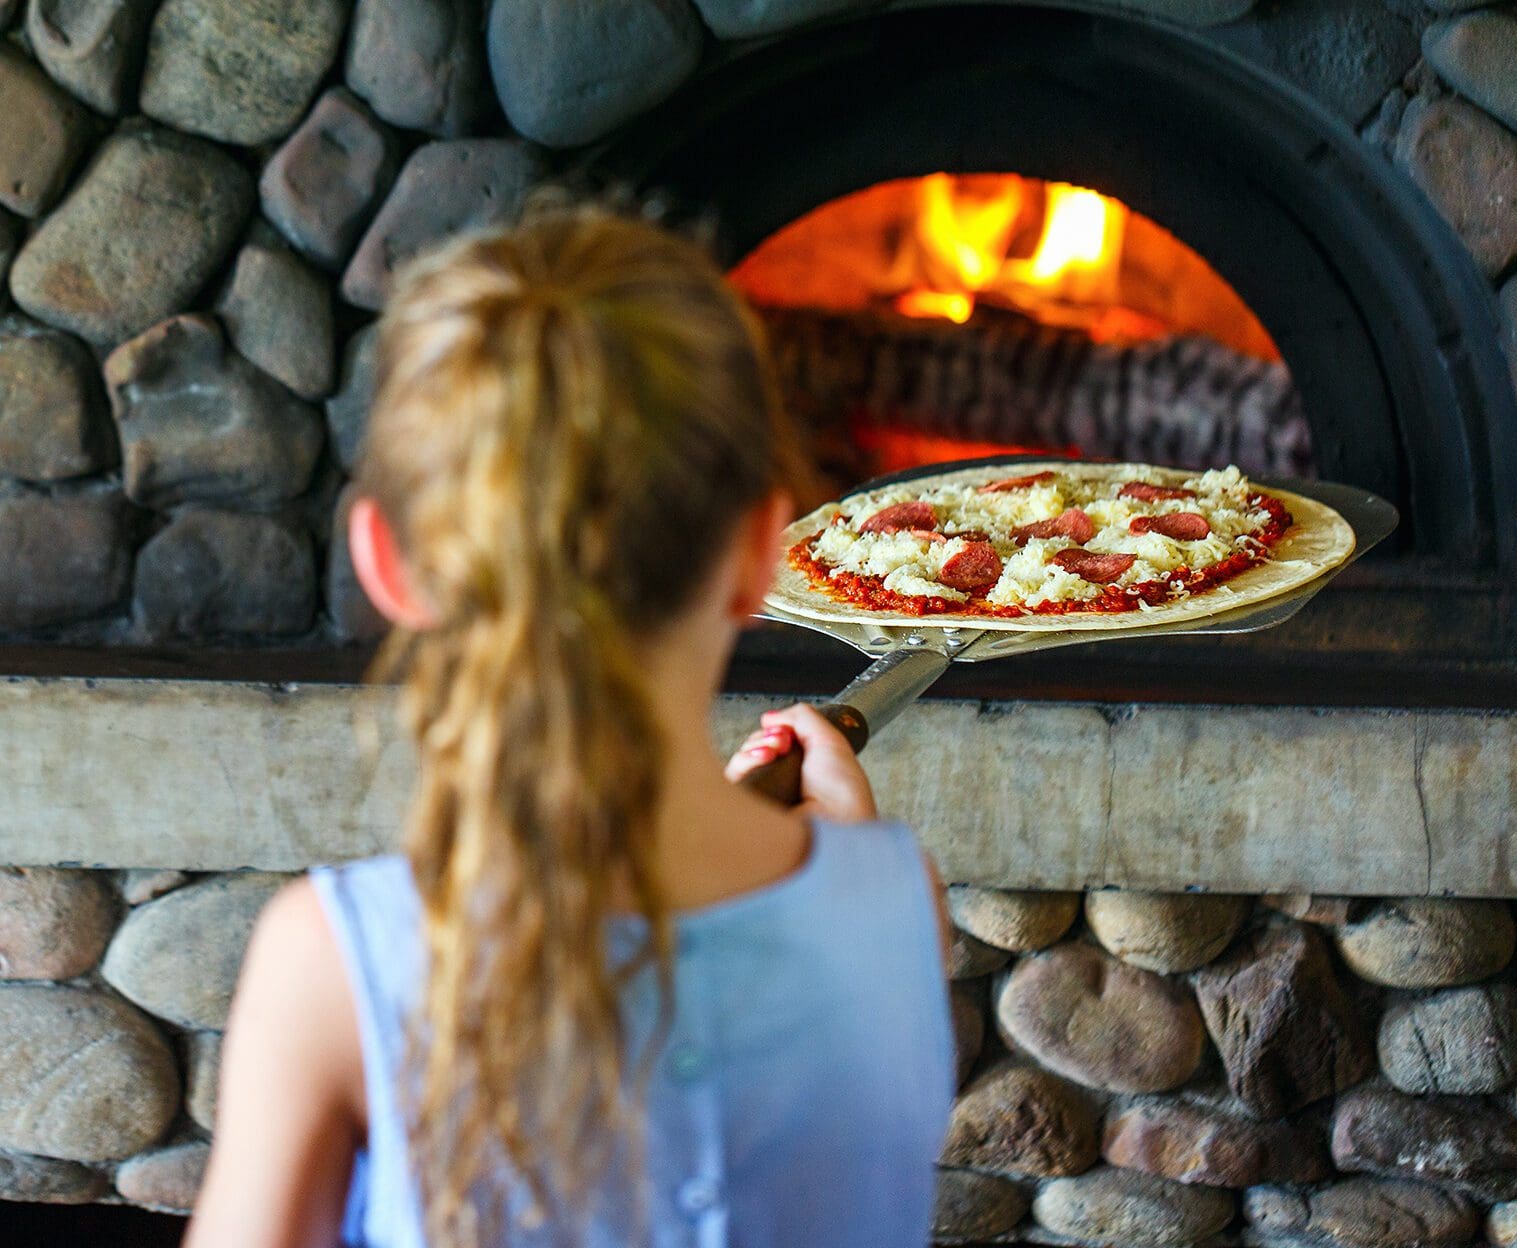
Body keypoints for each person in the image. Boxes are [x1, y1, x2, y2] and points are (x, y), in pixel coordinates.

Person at [185, 201, 956, 1248]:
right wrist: (844, 853)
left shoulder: (329, 967)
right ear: (760, 553)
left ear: (388, 565)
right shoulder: (898, 904)